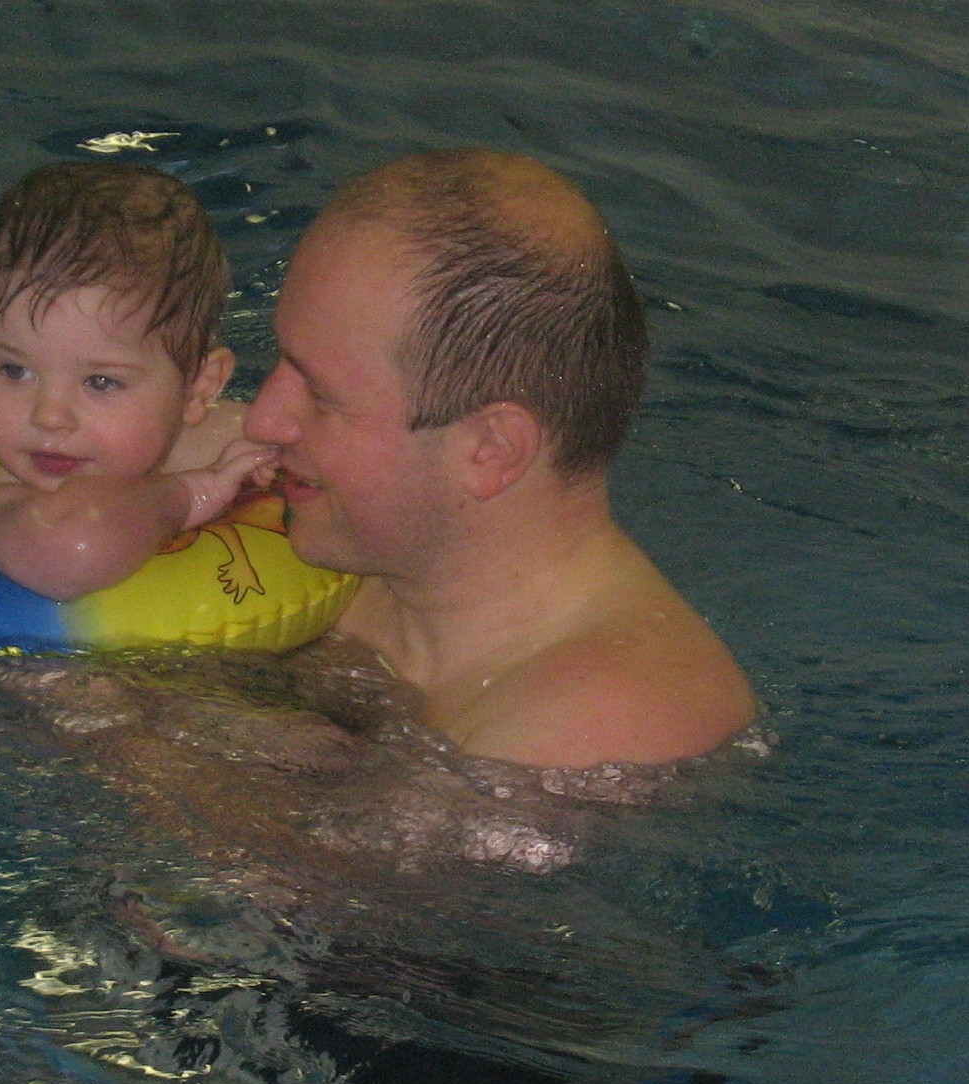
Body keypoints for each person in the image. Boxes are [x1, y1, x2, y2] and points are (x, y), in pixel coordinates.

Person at [242, 149, 759, 768]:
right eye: (281, 360)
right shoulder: (359, 567)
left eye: (321, 397)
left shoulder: (604, 722)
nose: (261, 420)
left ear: (491, 449)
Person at [0, 162, 276, 600]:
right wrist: (192, 493)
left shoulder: (229, 440)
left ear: (199, 388)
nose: (49, 416)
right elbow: (73, 551)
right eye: (14, 370)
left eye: (100, 381)